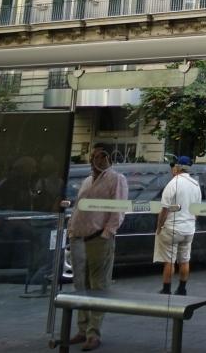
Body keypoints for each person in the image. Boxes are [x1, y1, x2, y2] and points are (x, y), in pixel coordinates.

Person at [67, 147, 128, 351]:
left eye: (101, 155)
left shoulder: (116, 179)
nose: (96, 159)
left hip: (98, 239)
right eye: (93, 156)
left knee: (98, 286)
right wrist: (72, 230)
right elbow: (78, 206)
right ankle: (82, 329)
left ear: (108, 158)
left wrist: (107, 233)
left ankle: (93, 333)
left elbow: (118, 209)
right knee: (81, 286)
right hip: (79, 238)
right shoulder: (87, 180)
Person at [155, 156, 202, 296]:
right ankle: (182, 289)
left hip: (172, 228)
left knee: (169, 261)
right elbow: (197, 210)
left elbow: (164, 209)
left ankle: (166, 290)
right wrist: (191, 222)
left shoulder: (173, 183)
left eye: (174, 166)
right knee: (184, 260)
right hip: (189, 228)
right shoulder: (195, 185)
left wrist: (159, 226)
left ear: (178, 167)